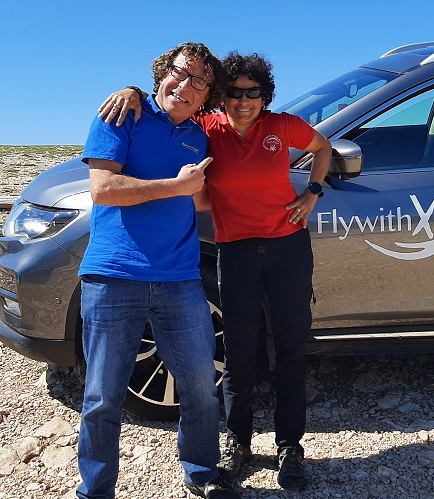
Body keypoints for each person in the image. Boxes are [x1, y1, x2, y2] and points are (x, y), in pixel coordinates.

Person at [99, 52, 332, 490]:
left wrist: (313, 192)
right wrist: (133, 91)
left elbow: (324, 148)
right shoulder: (206, 129)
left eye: (253, 93)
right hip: (236, 251)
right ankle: (238, 443)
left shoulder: (282, 127)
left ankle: (290, 448)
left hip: (288, 248)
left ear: (265, 96)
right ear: (220, 96)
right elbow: (171, 113)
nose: (243, 102)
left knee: (291, 349)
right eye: (234, 93)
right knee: (239, 353)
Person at [76, 42, 240, 499]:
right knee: (102, 398)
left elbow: (203, 195)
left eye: (200, 82)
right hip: (113, 276)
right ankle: (95, 489)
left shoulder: (200, 135)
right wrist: (177, 186)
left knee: (200, 387)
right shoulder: (119, 115)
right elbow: (104, 189)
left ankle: (202, 471)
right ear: (161, 73)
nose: (186, 86)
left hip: (180, 278)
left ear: (208, 96)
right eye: (180, 73)